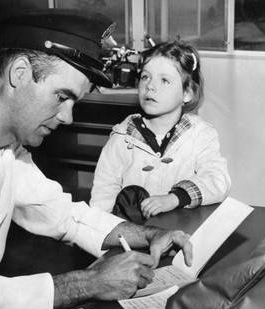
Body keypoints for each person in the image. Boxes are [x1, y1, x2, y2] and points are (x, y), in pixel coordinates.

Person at [0, 9, 193, 309]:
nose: (68, 118)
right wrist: (89, 283)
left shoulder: (7, 145)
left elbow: (64, 215)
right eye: (62, 96)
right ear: (19, 73)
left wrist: (151, 235)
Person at [89, 40, 231, 223]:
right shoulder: (122, 136)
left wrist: (176, 197)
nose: (150, 86)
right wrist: (103, 233)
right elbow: (103, 195)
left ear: (187, 93)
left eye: (164, 80)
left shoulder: (201, 134)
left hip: (181, 232)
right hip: (134, 236)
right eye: (145, 77)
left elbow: (218, 179)